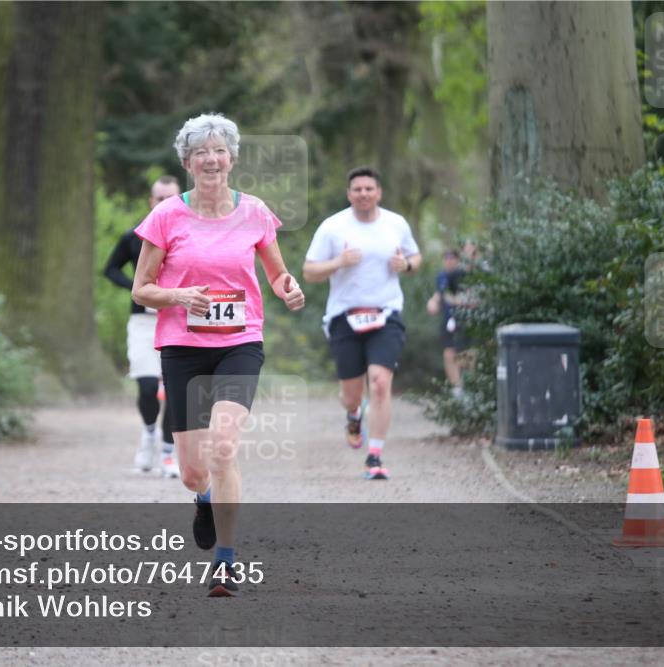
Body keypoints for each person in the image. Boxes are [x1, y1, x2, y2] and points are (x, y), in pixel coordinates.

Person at [132, 113, 305, 596]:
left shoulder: (255, 212)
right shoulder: (167, 216)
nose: (211, 159)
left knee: (224, 447)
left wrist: (288, 289)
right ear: (187, 163)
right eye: (200, 152)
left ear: (232, 159)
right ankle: (204, 498)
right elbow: (141, 288)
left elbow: (277, 274)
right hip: (183, 347)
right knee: (192, 471)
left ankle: (225, 562)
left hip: (239, 343)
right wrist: (178, 296)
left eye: (219, 150)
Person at [302, 167, 421, 480]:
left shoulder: (396, 223)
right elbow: (309, 272)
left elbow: (416, 257)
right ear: (349, 194)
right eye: (357, 189)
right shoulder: (333, 227)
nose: (364, 194)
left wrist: (406, 265)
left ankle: (375, 456)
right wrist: (339, 262)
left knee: (380, 383)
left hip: (386, 313)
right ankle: (354, 414)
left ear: (379, 193)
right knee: (351, 395)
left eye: (369, 189)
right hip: (345, 316)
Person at [103, 176, 182, 477]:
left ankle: (168, 452)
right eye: (159, 199)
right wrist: (137, 289)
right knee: (148, 387)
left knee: (174, 390)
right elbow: (110, 269)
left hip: (177, 320)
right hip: (143, 321)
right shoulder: (135, 236)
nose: (164, 204)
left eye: (170, 198)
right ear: (151, 201)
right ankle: (149, 433)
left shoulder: (190, 236)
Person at [426, 249, 467, 398]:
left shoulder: (464, 275)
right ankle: (457, 388)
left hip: (465, 320)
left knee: (465, 355)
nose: (449, 261)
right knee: (448, 353)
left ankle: (469, 386)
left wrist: (457, 301)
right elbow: (440, 294)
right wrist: (433, 302)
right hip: (448, 320)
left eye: (452, 258)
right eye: (446, 258)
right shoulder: (441, 276)